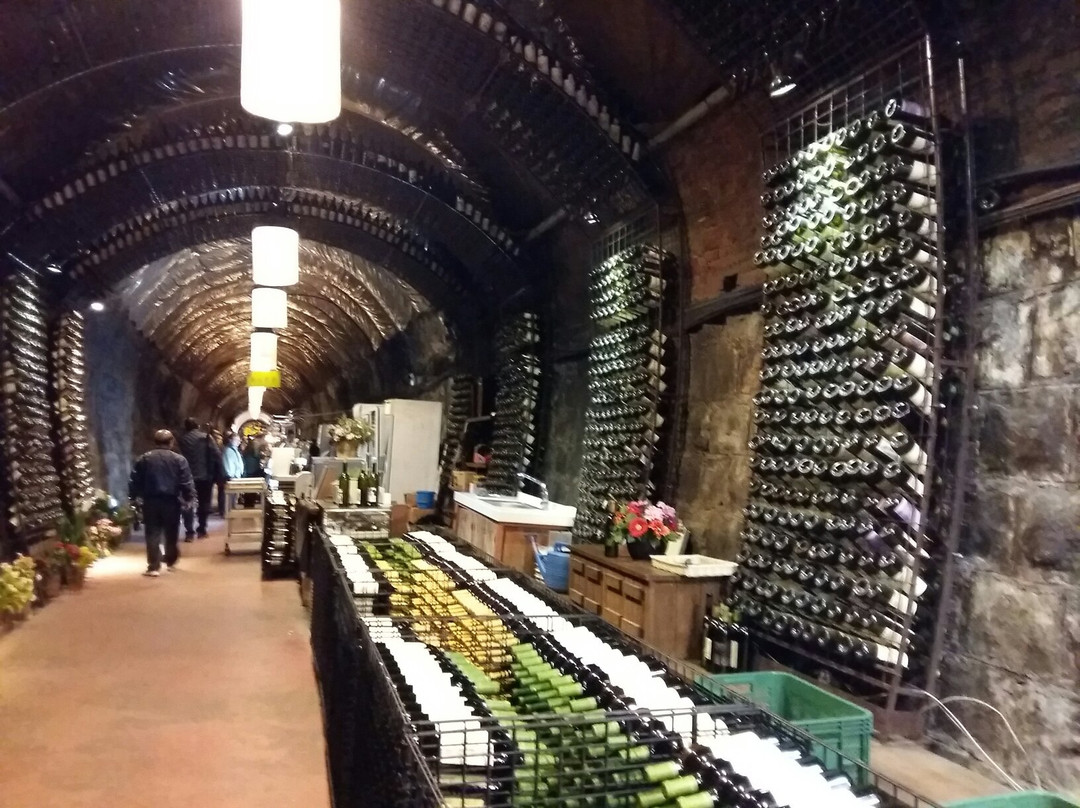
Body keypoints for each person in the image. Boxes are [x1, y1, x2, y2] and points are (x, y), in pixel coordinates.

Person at [128, 429, 195, 577]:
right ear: (171, 442)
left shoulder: (144, 458)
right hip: (171, 501)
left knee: (152, 532)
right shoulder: (179, 459)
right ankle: (170, 560)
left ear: (155, 442)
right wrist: (189, 497)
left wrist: (133, 497)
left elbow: (135, 480)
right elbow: (186, 480)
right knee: (171, 531)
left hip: (150, 500)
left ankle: (153, 565)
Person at [177, 417, 221, 541]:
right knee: (204, 503)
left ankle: (189, 532)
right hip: (205, 476)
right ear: (198, 426)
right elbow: (216, 455)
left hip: (186, 476)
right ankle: (201, 529)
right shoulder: (206, 438)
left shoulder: (181, 440)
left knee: (188, 503)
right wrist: (219, 473)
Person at [209, 427, 226, 517]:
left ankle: (221, 509)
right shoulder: (216, 447)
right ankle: (219, 509)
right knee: (216, 490)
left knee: (221, 490)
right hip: (214, 470)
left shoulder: (220, 446)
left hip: (216, 470)